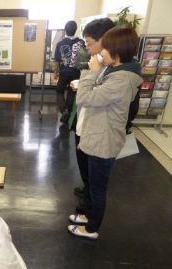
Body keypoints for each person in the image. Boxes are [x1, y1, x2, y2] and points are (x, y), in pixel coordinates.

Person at [68, 25, 143, 239]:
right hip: (99, 138)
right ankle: (89, 216)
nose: (101, 52)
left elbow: (85, 98)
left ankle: (92, 228)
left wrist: (90, 74)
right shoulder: (115, 71)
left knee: (97, 189)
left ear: (118, 51)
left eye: (106, 48)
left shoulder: (121, 79)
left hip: (104, 143)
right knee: (92, 185)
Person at [71, 18, 115, 212]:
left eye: (89, 43)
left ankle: (89, 211)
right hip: (84, 125)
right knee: (85, 167)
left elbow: (89, 98)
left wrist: (86, 83)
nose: (87, 47)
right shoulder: (98, 63)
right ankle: (87, 195)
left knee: (95, 178)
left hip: (97, 132)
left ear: (104, 40)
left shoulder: (114, 69)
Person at [54, 21, 85, 124]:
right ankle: (68, 112)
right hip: (76, 72)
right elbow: (84, 59)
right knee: (72, 92)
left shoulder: (60, 43)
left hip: (64, 71)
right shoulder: (81, 43)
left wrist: (55, 72)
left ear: (65, 30)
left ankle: (64, 111)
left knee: (59, 91)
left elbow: (57, 60)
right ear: (75, 29)